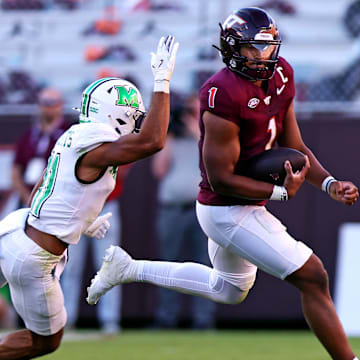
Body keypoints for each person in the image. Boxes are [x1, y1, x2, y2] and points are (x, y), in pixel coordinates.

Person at [87, 7, 359, 360]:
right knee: (313, 276)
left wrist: (329, 184)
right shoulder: (221, 92)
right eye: (253, 48)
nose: (263, 56)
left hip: (243, 204)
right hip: (226, 208)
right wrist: (278, 193)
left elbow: (295, 148)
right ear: (232, 49)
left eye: (267, 47)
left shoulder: (281, 75)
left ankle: (128, 267)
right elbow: (220, 179)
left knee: (228, 289)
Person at [0, 34, 179, 359]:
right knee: (44, 343)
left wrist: (81, 220)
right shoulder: (96, 141)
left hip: (16, 230)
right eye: (133, 113)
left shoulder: (74, 135)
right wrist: (162, 82)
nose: (137, 120)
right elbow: (152, 141)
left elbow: (44, 189)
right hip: (35, 254)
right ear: (115, 113)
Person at [150, 94, 215, 329]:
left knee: (205, 263)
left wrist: (197, 131)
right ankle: (166, 317)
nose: (191, 116)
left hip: (202, 209)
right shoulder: (173, 139)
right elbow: (158, 170)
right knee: (168, 263)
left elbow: (215, 159)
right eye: (188, 111)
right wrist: (170, 134)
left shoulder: (211, 137)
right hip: (172, 209)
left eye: (195, 111)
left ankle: (203, 320)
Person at [61, 168, 129, 334]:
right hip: (77, 207)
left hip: (105, 205)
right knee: (71, 267)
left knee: (108, 265)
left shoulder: (113, 142)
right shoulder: (78, 143)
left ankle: (110, 320)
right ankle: (66, 320)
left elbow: (121, 171)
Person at [11, 87, 71, 209]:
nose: (48, 107)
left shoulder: (70, 133)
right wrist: (28, 198)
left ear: (61, 104)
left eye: (52, 103)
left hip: (58, 199)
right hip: (28, 197)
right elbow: (15, 170)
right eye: (44, 103)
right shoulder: (28, 135)